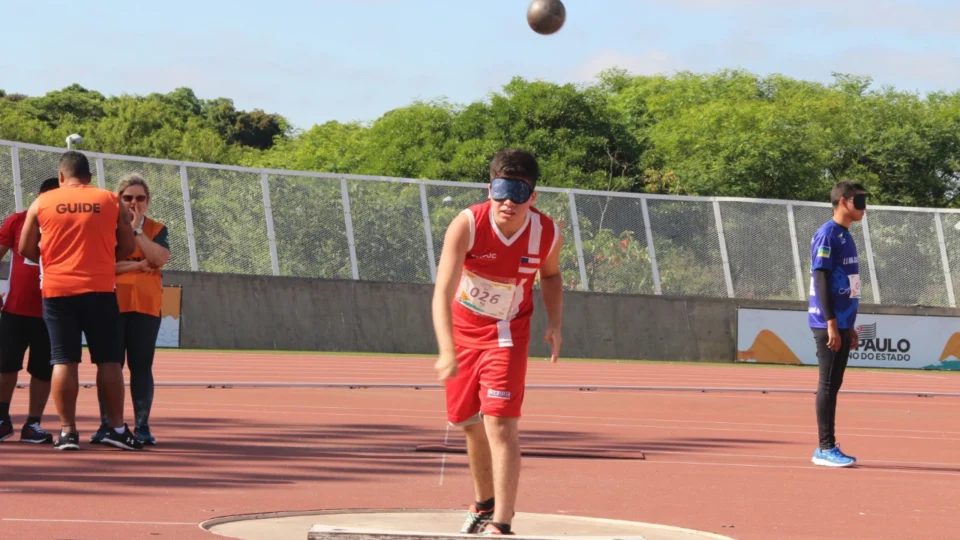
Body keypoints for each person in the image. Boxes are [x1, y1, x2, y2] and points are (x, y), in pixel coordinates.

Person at [432, 148, 564, 536]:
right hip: (462, 333)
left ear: (532, 196)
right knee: (467, 422)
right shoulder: (467, 224)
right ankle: (484, 502)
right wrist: (446, 350)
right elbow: (442, 291)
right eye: (501, 191)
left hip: (507, 333)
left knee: (501, 424)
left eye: (518, 193)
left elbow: (551, 276)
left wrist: (555, 322)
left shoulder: (546, 232)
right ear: (490, 189)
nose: (508, 202)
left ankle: (502, 523)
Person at [18, 151, 142, 451]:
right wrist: (103, 261)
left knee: (63, 360)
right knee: (109, 360)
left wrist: (52, 263)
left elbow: (25, 248)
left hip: (57, 291)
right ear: (89, 177)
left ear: (61, 176)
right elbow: (128, 245)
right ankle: (116, 428)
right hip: (99, 289)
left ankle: (68, 432)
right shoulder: (109, 199)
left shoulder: (42, 202)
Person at [91, 173, 170, 446]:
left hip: (146, 307)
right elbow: (104, 266)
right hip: (111, 305)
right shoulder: (106, 227)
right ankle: (107, 424)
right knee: (109, 365)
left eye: (140, 198)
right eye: (127, 198)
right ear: (118, 200)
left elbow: (159, 258)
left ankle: (142, 426)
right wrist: (138, 265)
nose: (134, 203)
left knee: (141, 366)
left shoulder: (157, 228)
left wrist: (136, 230)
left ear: (148, 201)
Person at [808, 180, 867, 468]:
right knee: (828, 384)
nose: (864, 208)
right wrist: (832, 322)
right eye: (860, 201)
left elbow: (849, 283)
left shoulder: (845, 235)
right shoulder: (827, 234)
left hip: (842, 321)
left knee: (834, 384)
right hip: (827, 322)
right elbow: (820, 278)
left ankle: (827, 447)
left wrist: (849, 324)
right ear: (843, 201)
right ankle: (825, 448)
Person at [0, 178, 60, 444]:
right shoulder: (17, 221)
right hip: (16, 309)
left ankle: (32, 424)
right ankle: (2, 420)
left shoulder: (71, 225)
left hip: (52, 310)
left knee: (43, 370)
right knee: (5, 365)